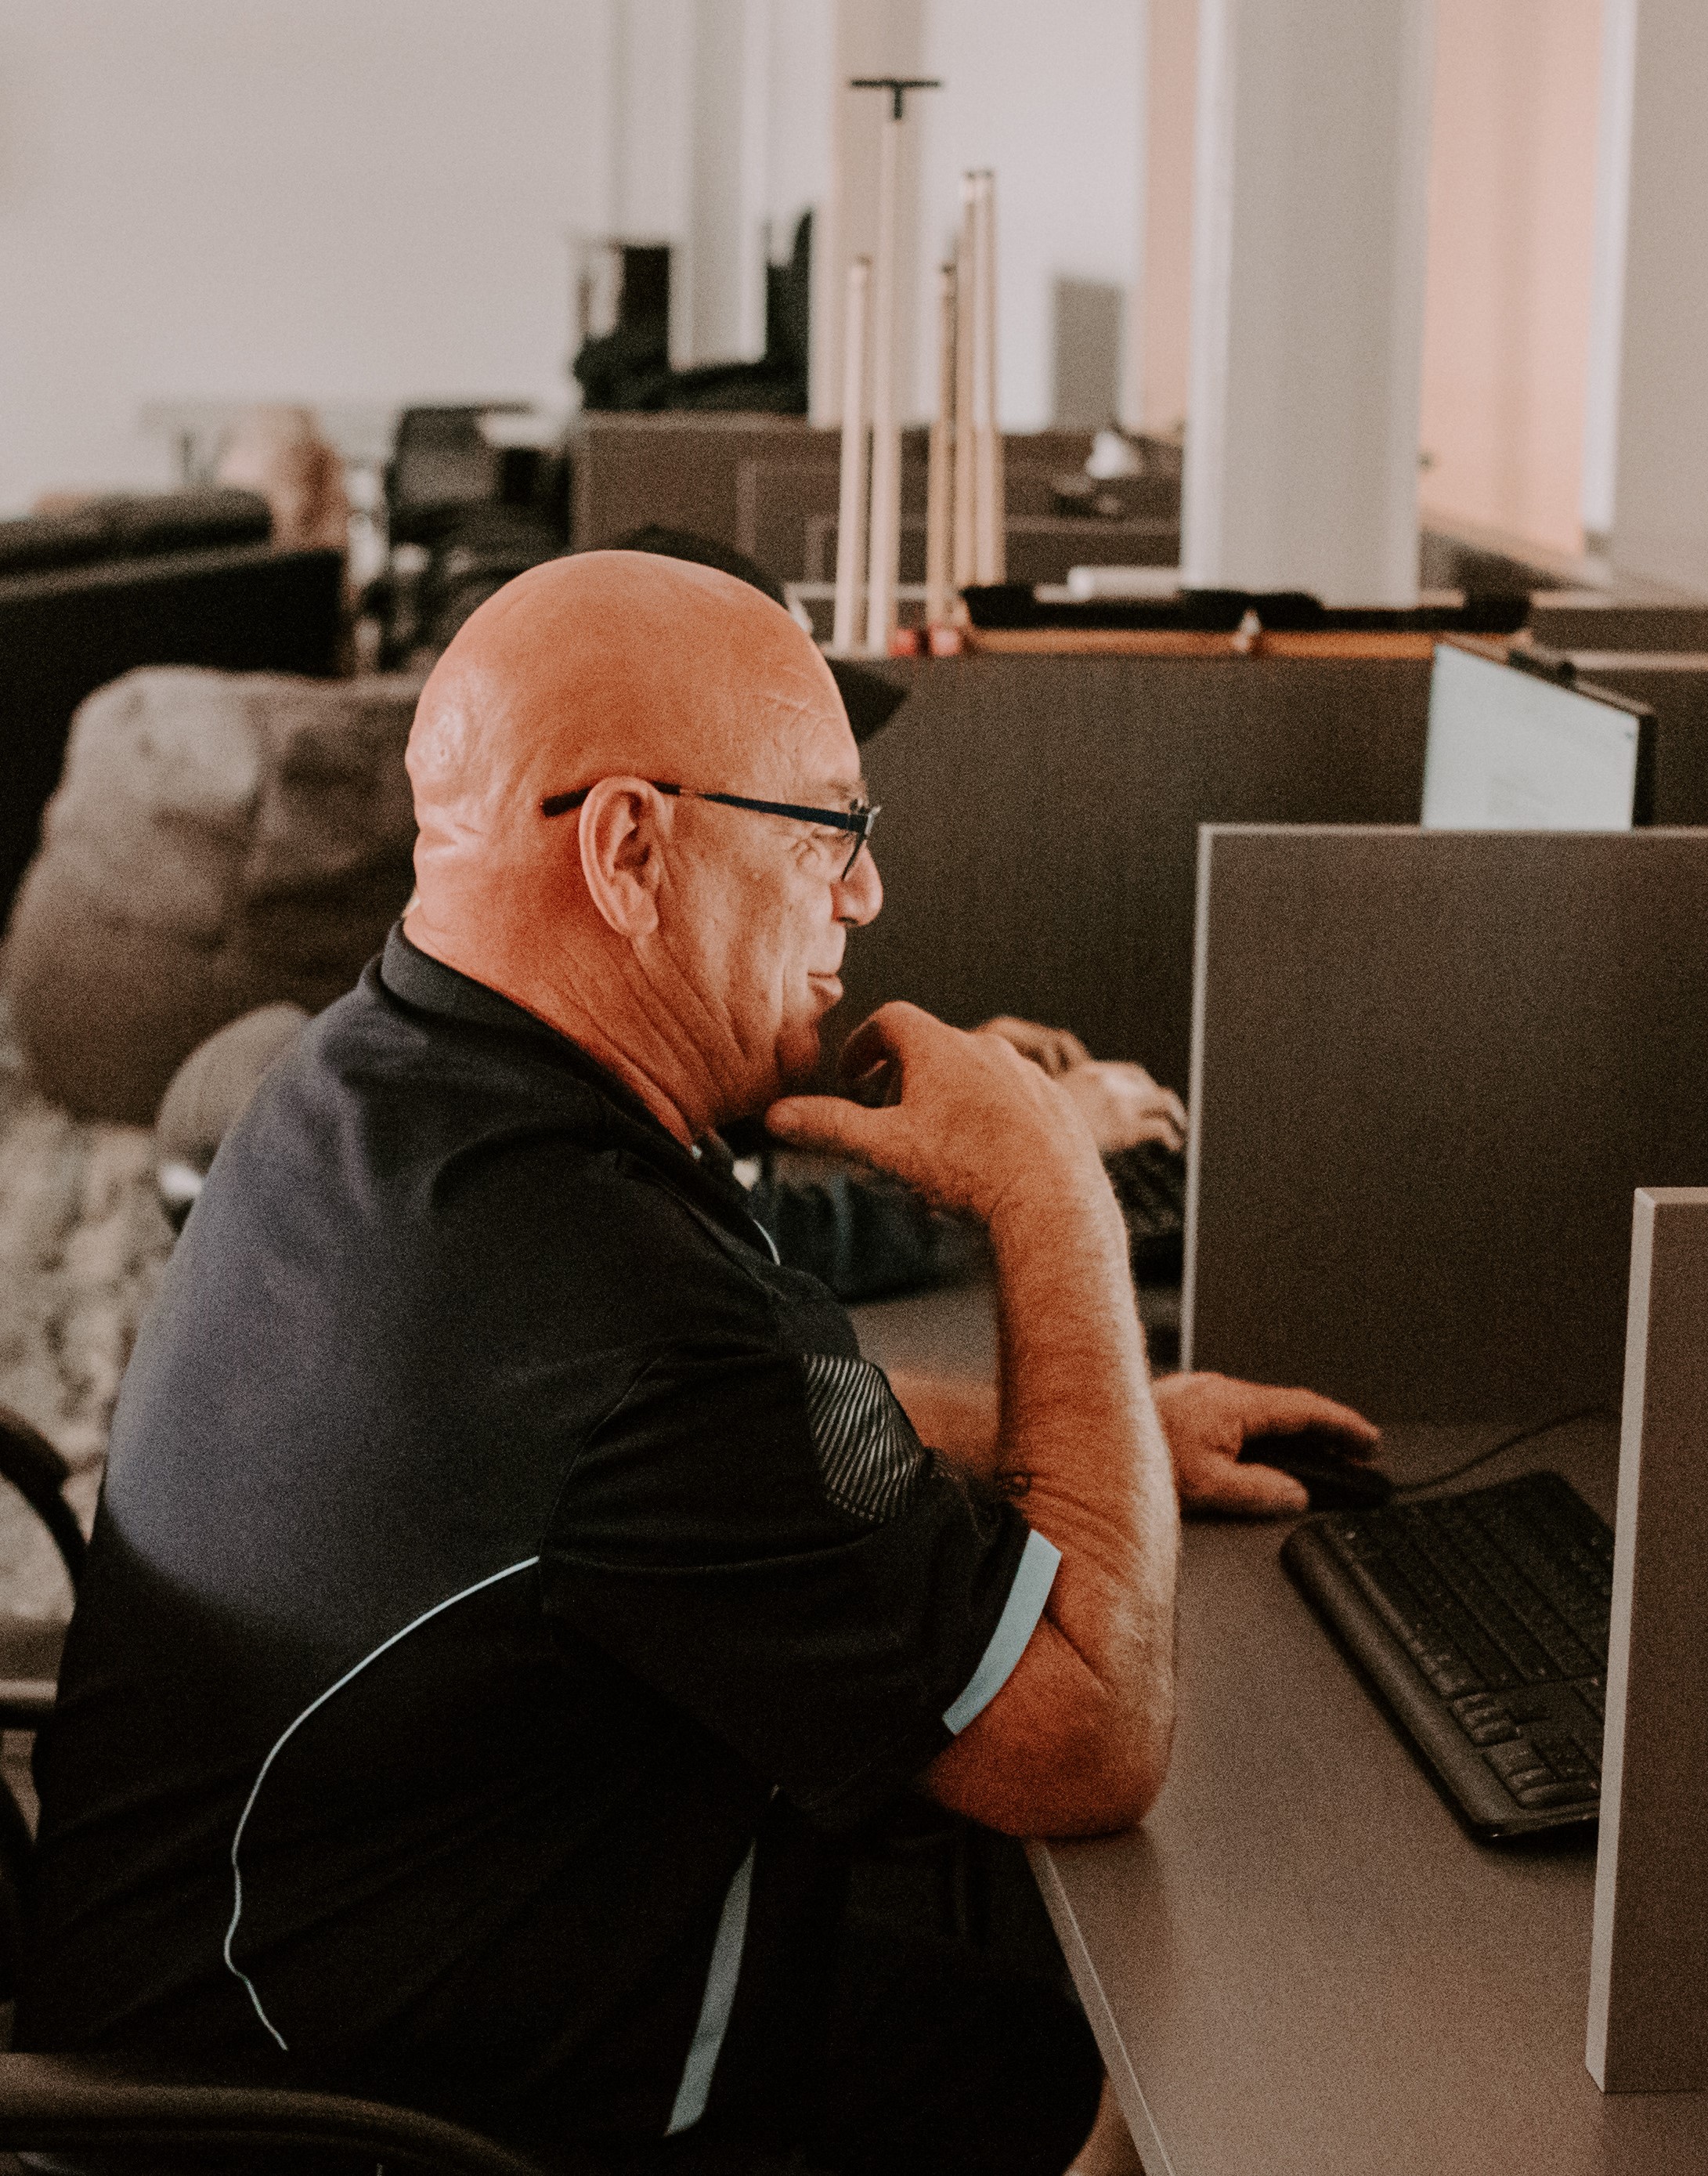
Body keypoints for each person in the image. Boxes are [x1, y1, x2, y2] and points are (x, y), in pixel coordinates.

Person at [17, 553, 1377, 2175]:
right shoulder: (612, 1299)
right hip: (391, 2124)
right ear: (631, 850)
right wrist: (1049, 1188)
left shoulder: (377, 1077)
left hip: (295, 1977)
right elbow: (1088, 1735)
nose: (864, 894)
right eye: (829, 829)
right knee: (1190, 2093)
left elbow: (679, 1469)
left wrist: (1074, 1434)